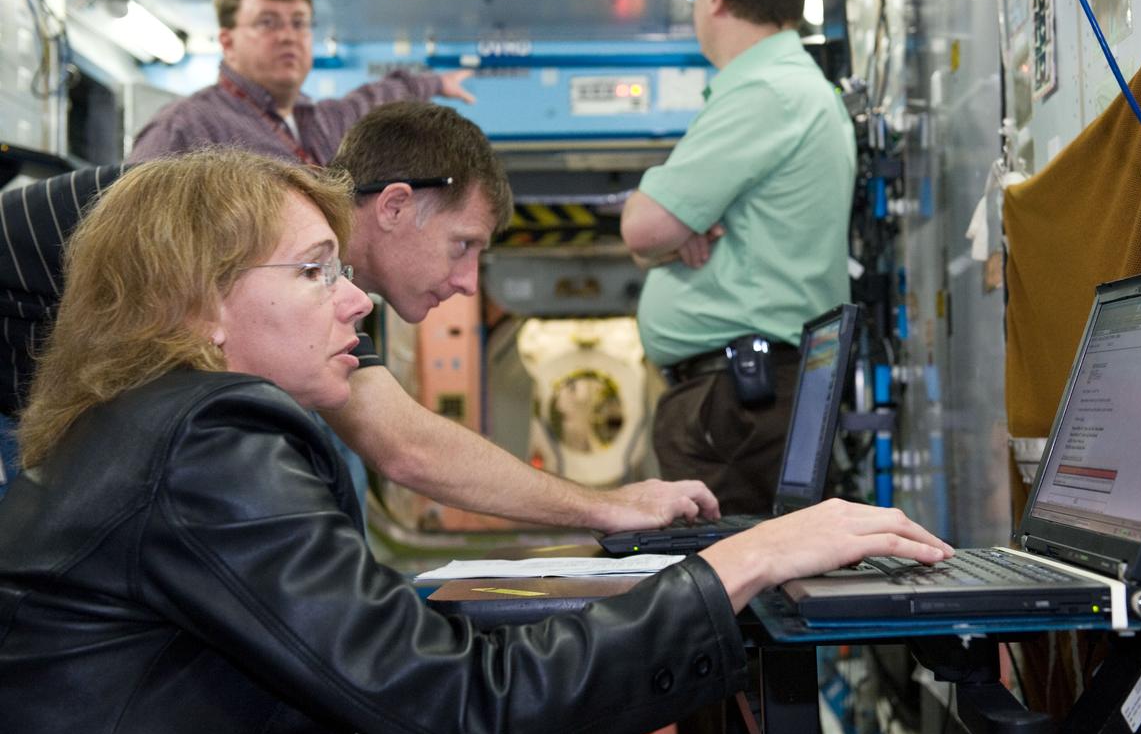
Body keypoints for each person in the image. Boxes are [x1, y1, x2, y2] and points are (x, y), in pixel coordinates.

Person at [0, 149, 952, 734]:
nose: (356, 299)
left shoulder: (135, 423)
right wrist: (749, 557)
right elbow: (470, 713)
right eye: (312, 271)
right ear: (193, 306)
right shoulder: (209, 440)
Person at [0, 105, 718, 530]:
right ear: (398, 205)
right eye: (462, 247)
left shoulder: (316, 284)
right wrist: (608, 506)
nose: (468, 283)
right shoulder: (238, 222)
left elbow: (406, 441)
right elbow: (409, 449)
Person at [621, 0, 856, 516]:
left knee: (734, 600)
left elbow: (641, 225)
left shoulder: (763, 91)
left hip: (739, 405)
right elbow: (660, 234)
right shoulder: (787, 87)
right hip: (750, 399)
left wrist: (665, 231)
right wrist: (681, 232)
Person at [126, 0, 475, 166]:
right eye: (268, 22)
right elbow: (127, 233)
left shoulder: (321, 121)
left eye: (299, 22)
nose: (288, 36)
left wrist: (435, 84)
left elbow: (374, 99)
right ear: (227, 42)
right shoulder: (188, 126)